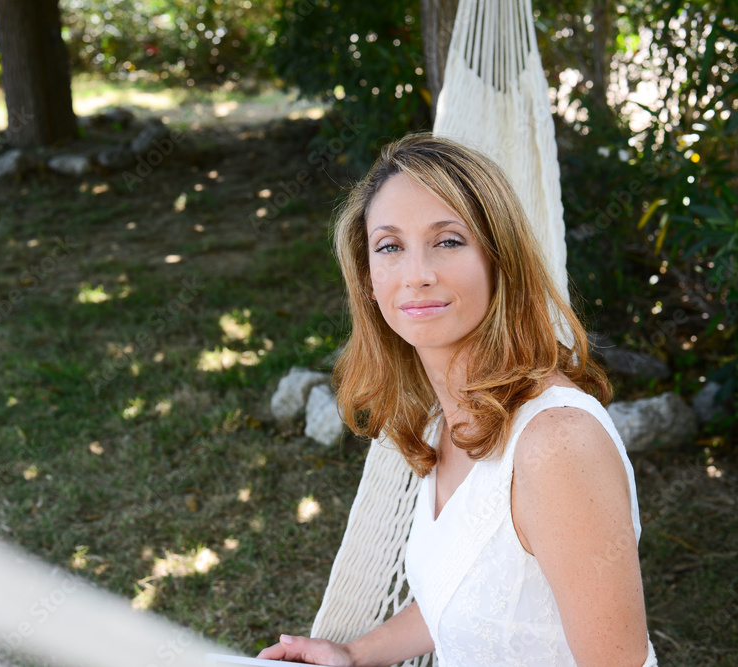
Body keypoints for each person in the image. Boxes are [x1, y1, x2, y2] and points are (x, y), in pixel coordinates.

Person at [258, 134, 657, 666]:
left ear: (500, 260)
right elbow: (471, 587)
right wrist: (354, 654)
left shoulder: (557, 445)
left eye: (448, 241)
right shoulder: (441, 418)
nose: (417, 274)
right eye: (390, 246)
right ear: (369, 281)